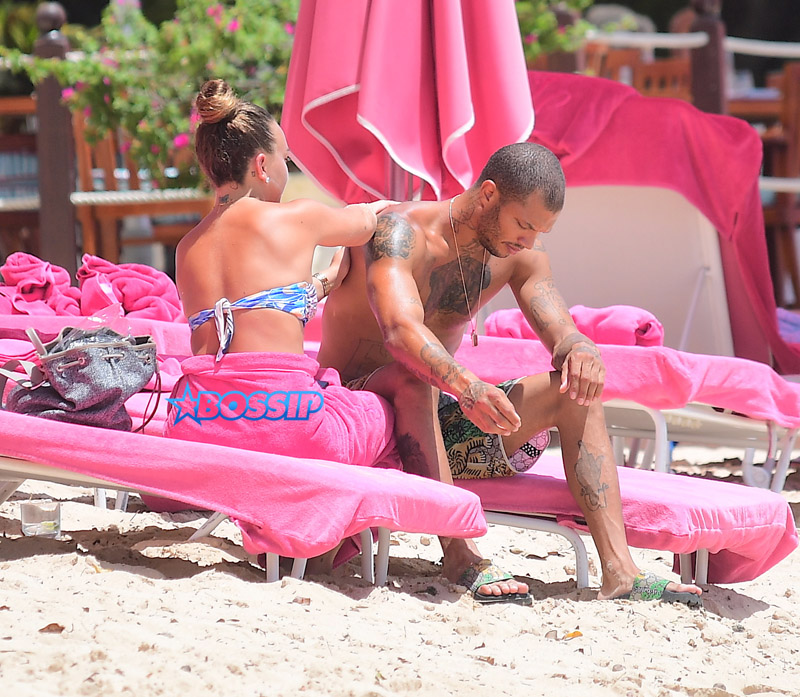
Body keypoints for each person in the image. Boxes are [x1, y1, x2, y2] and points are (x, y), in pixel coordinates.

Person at [317, 142, 703, 607]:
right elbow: (400, 332)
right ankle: (460, 554)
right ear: (488, 195)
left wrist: (580, 349)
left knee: (572, 391)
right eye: (523, 224)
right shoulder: (399, 232)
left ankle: (621, 573)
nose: (528, 240)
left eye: (540, 231)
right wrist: (468, 386)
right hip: (353, 416)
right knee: (413, 378)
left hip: (431, 423)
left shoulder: (520, 255)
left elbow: (561, 330)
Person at [164, 79, 399, 497]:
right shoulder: (296, 217)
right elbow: (367, 221)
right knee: (387, 409)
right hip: (284, 422)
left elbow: (244, 312)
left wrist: (323, 283)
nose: (286, 169)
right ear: (261, 165)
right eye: (285, 158)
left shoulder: (187, 248)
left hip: (198, 425)